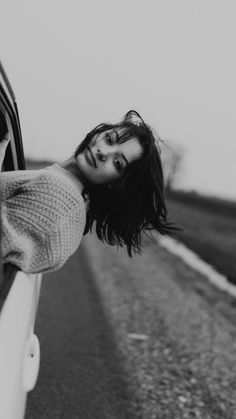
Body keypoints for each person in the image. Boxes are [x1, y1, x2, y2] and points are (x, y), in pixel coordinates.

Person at [0, 110, 173, 274]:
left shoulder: (57, 195)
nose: (103, 152)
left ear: (116, 184)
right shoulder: (64, 188)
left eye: (117, 162)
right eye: (109, 139)